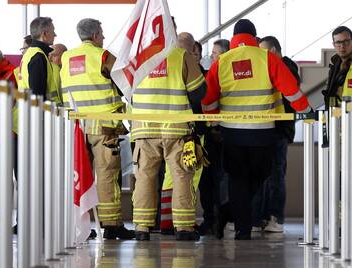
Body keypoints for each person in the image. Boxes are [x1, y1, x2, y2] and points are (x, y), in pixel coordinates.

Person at [202, 19, 311, 240]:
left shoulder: (221, 61)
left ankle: (236, 221)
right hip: (262, 130)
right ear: (254, 36)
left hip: (231, 131)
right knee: (260, 175)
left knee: (237, 179)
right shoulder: (266, 57)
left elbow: (209, 98)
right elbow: (290, 88)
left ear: (234, 37)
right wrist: (306, 110)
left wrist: (213, 119)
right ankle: (236, 221)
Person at [130, 25, 207, 241]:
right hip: (175, 127)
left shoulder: (137, 58)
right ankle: (183, 228)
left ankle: (142, 228)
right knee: (181, 175)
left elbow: (126, 91)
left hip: (144, 128)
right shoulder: (181, 55)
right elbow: (199, 92)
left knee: (145, 176)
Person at [60, 18, 134, 240]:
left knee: (78, 176)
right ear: (94, 36)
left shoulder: (66, 57)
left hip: (76, 125)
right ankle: (111, 224)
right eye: (101, 34)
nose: (103, 38)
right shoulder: (103, 56)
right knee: (107, 174)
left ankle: (78, 223)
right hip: (103, 126)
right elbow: (124, 81)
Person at [249, 35, 308, 233]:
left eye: (263, 51)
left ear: (273, 51)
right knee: (263, 176)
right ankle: (261, 217)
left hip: (279, 130)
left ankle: (276, 218)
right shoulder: (272, 67)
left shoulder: (285, 68)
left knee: (275, 174)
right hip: (266, 128)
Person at [18, 17, 61, 104]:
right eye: (53, 32)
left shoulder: (29, 53)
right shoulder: (38, 56)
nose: (55, 35)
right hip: (41, 114)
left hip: (28, 110)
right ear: (44, 34)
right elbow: (38, 95)